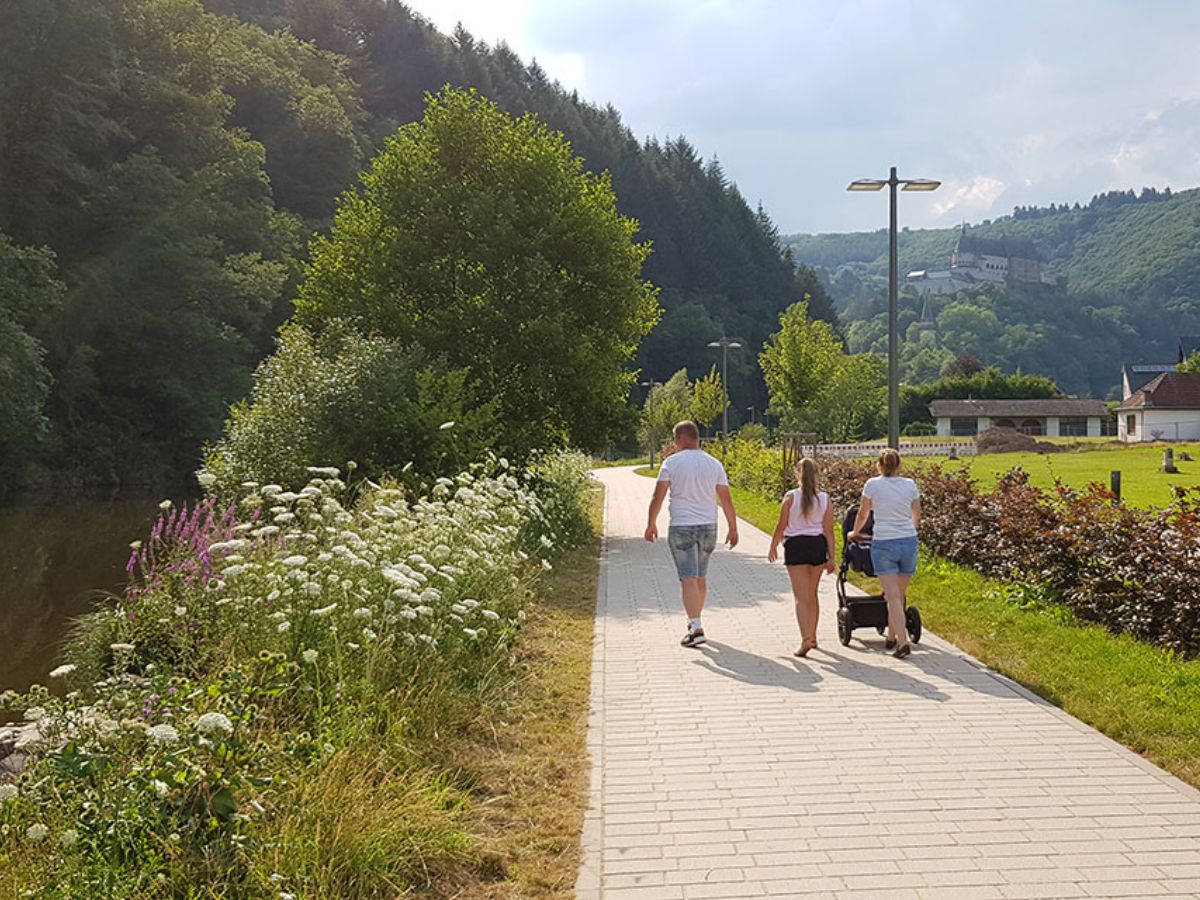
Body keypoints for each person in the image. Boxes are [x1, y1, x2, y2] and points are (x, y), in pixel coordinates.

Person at [644, 420, 739, 647]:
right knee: (700, 578)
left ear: (681, 438)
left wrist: (651, 523)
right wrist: (733, 528)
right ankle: (695, 621)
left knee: (688, 578)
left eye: (675, 439)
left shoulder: (671, 463)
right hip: (708, 526)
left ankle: (696, 628)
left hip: (682, 526)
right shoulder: (714, 464)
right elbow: (726, 498)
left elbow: (658, 496)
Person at [849, 448, 920, 659]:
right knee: (899, 595)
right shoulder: (910, 485)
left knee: (892, 597)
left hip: (884, 543)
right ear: (899, 465)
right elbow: (916, 514)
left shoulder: (872, 485)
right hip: (908, 541)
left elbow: (863, 513)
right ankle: (891, 636)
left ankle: (903, 641)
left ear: (879, 465)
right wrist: (911, 530)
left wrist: (855, 531)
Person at [768, 457, 835, 657]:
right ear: (817, 475)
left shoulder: (790, 497)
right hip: (817, 546)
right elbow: (829, 531)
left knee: (800, 597)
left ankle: (805, 639)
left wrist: (773, 546)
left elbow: (781, 526)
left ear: (798, 474)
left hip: (796, 545)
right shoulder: (824, 499)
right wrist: (832, 557)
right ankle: (812, 636)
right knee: (812, 594)